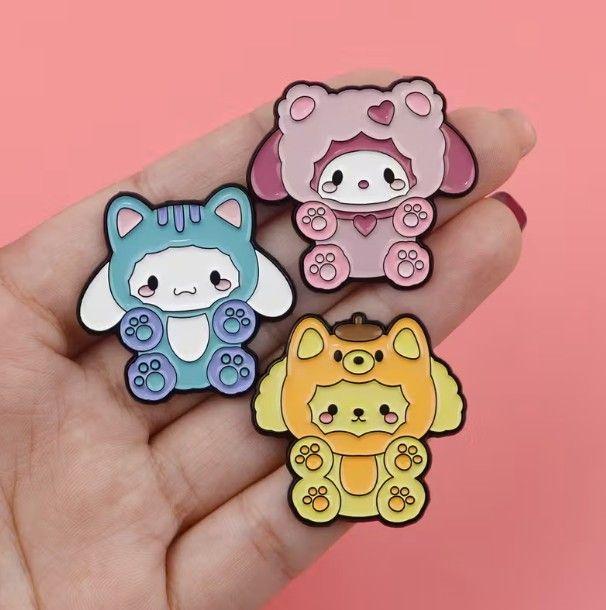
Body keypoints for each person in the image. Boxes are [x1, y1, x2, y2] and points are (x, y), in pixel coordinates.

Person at [0, 70, 534, 610]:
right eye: (156, 283)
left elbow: (274, 301)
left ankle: (242, 349)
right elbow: (110, 304)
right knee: (198, 352)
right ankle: (203, 359)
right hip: (180, 348)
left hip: (298, 364)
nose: (182, 290)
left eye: (212, 278)